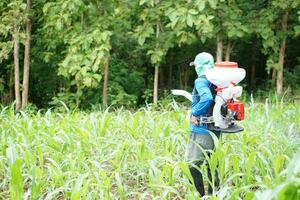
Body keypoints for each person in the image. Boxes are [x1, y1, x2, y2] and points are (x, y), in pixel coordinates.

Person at [185, 52, 220, 196]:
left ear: (198, 66)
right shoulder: (217, 80)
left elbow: (206, 98)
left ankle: (200, 195)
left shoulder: (201, 80)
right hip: (216, 128)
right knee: (213, 164)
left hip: (201, 129)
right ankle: (214, 195)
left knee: (191, 165)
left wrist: (194, 112)